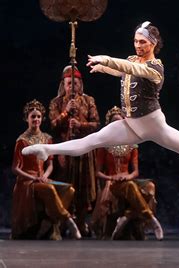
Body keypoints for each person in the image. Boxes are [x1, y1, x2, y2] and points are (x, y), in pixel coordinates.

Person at [22, 21, 179, 193]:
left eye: (142, 42)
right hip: (131, 125)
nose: (138, 45)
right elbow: (122, 69)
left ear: (153, 43)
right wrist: (103, 67)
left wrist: (106, 59)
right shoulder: (132, 60)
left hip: (153, 125)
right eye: (135, 41)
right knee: (90, 141)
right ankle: (47, 151)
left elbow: (133, 70)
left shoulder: (156, 67)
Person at [12, 100, 81, 240]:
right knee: (49, 189)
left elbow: (50, 165)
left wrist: (45, 176)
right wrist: (34, 178)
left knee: (70, 189)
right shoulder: (22, 141)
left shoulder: (47, 139)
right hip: (28, 182)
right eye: (33, 116)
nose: (36, 119)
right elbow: (15, 168)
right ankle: (67, 219)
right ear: (27, 118)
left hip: (43, 179)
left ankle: (51, 222)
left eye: (38, 116)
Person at [92, 106, 162, 240]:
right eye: (114, 122)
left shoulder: (132, 144)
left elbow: (135, 171)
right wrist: (111, 177)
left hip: (128, 179)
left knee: (150, 187)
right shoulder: (104, 144)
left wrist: (127, 176)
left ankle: (127, 216)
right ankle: (151, 219)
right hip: (112, 182)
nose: (117, 125)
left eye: (120, 121)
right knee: (130, 187)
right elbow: (97, 172)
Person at [49, 65, 100, 235]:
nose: (72, 87)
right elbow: (53, 125)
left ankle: (81, 222)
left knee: (84, 187)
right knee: (66, 184)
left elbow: (96, 125)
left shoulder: (89, 101)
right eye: (69, 83)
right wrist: (65, 113)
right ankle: (65, 220)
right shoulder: (56, 103)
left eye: (75, 83)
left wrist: (80, 125)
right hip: (65, 150)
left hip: (85, 149)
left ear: (80, 84)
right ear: (64, 84)